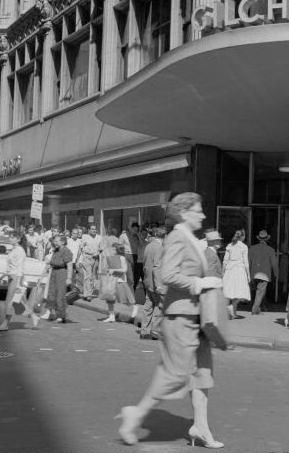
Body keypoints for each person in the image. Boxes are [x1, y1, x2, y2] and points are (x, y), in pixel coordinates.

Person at [115, 192, 224, 449]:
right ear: (184, 213)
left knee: (203, 374)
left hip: (197, 317)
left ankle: (201, 426)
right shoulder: (176, 237)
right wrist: (200, 282)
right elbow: (168, 275)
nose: (203, 215)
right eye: (198, 210)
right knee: (174, 375)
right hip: (180, 317)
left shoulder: (189, 239)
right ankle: (136, 415)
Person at [0, 231, 39, 331]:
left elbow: (20, 268)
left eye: (12, 237)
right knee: (19, 302)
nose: (10, 239)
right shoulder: (13, 250)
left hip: (16, 278)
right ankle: (34, 317)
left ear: (18, 239)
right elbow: (9, 267)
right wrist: (0, 278)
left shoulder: (20, 251)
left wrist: (18, 283)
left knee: (10, 302)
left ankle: (4, 324)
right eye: (10, 237)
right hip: (11, 277)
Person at [140, 227, 167, 340]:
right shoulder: (159, 247)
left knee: (148, 306)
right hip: (156, 282)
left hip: (148, 280)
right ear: (164, 237)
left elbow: (145, 264)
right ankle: (155, 331)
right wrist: (159, 285)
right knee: (159, 306)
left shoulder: (149, 246)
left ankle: (144, 331)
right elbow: (157, 267)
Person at [41, 235, 74, 323]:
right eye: (54, 241)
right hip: (54, 272)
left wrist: (69, 278)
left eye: (56, 241)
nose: (54, 243)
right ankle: (52, 313)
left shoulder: (66, 251)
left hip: (62, 273)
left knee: (60, 295)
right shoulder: (56, 250)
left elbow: (69, 265)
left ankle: (61, 315)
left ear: (62, 242)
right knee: (51, 294)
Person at [100, 242, 136, 323]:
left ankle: (135, 308)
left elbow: (124, 270)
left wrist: (114, 270)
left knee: (125, 300)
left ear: (117, 249)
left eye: (113, 248)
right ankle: (111, 316)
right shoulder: (110, 258)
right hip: (112, 281)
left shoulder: (122, 258)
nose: (111, 250)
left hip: (120, 281)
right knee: (109, 299)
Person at [222, 229, 251, 319]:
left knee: (229, 290)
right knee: (239, 291)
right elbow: (246, 262)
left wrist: (222, 272)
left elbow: (225, 260)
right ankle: (232, 307)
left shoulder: (229, 246)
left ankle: (233, 312)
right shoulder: (243, 247)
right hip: (239, 270)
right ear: (243, 236)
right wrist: (248, 274)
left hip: (229, 269)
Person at [248, 229, 278, 315]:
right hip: (265, 274)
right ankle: (255, 308)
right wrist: (276, 274)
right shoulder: (271, 250)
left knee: (259, 291)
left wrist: (248, 274)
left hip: (254, 273)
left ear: (259, 238)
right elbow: (274, 264)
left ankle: (259, 308)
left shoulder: (252, 248)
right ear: (267, 239)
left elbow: (248, 262)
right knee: (260, 291)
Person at [80, 225, 102, 301]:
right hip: (87, 257)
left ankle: (88, 293)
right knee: (87, 276)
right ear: (89, 230)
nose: (94, 230)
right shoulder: (84, 237)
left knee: (92, 276)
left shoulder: (99, 237)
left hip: (95, 258)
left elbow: (102, 248)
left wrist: (98, 253)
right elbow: (81, 248)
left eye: (95, 229)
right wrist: (79, 259)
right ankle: (87, 294)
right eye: (92, 229)